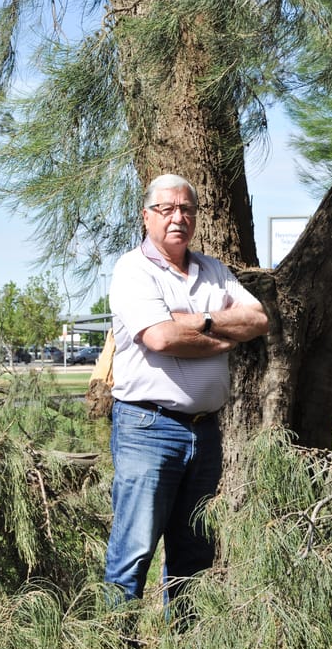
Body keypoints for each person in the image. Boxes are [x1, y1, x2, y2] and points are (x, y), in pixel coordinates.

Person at [104, 173, 269, 606]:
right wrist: (224, 336)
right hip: (147, 427)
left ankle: (185, 646)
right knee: (133, 552)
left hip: (205, 432)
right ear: (147, 216)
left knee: (195, 553)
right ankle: (113, 647)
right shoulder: (132, 270)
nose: (178, 217)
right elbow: (159, 338)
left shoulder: (214, 270)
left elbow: (257, 321)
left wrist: (201, 320)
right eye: (166, 209)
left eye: (186, 210)